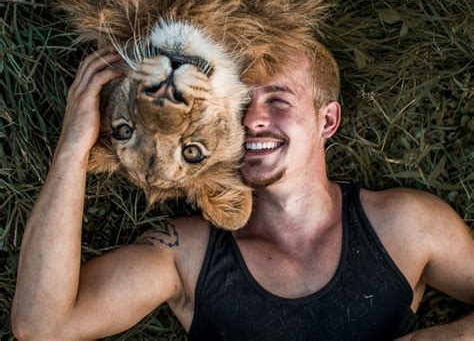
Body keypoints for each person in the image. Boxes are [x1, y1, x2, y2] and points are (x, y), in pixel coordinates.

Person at [11, 46, 474, 340]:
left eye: (278, 100)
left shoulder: (407, 225)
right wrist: (75, 146)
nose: (253, 120)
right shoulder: (188, 254)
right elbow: (41, 327)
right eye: (240, 104)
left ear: (327, 120)